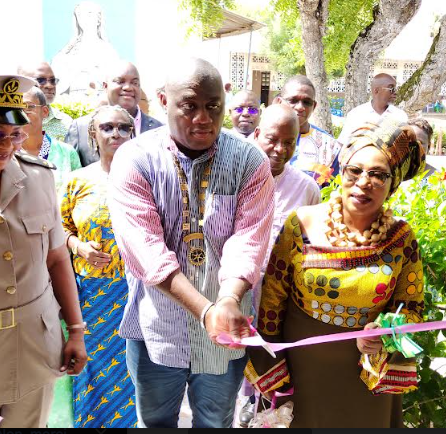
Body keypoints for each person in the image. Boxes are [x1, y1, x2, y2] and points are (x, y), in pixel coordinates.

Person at [108, 58, 275, 428]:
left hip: (226, 332)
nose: (203, 118)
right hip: (157, 329)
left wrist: (228, 300)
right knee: (154, 423)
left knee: (215, 423)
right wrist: (206, 310)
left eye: (213, 106)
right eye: (190, 106)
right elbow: (147, 251)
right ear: (164, 101)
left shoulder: (249, 160)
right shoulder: (135, 160)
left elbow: (249, 240)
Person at [245, 119, 426, 428]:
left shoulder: (401, 237)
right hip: (302, 371)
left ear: (393, 183)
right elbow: (272, 306)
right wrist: (272, 368)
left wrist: (385, 332)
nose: (363, 182)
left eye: (378, 175)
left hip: (365, 374)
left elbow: (412, 308)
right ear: (342, 172)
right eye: (354, 170)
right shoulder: (299, 224)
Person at [0, 75, 87, 428]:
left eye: (16, 134)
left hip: (34, 349)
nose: (6, 146)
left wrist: (75, 331)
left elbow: (56, 259)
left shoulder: (38, 177)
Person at [238, 104, 320, 427]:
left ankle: (259, 407)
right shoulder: (235, 176)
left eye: (289, 142)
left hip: (280, 302)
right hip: (238, 293)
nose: (280, 149)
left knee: (271, 371)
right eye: (272, 140)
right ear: (257, 135)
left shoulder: (307, 189)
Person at [60, 105, 137, 428]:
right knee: (90, 369)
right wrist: (78, 246)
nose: (116, 134)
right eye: (107, 128)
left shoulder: (146, 180)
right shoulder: (77, 182)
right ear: (93, 134)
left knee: (132, 371)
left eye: (123, 128)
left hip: (134, 295)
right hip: (90, 297)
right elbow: (57, 229)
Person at [65, 61, 163, 167]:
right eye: (120, 81)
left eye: (135, 83)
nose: (128, 87)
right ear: (105, 86)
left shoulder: (160, 130)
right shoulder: (81, 129)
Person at [275, 75, 341, 186]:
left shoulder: (330, 147)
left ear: (314, 106)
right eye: (293, 100)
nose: (300, 107)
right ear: (279, 102)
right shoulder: (262, 139)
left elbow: (333, 193)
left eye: (307, 102)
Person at [51, 1, 121, 97]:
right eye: (80, 14)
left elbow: (115, 82)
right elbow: (56, 84)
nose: (84, 17)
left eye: (89, 13)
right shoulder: (67, 52)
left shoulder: (108, 51)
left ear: (98, 19)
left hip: (99, 100)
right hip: (72, 101)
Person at [21, 87, 81, 190]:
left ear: (44, 111)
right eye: (15, 109)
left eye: (28, 107)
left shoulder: (66, 152)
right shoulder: (6, 152)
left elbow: (78, 192)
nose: (22, 114)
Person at [338, 74, 408, 146]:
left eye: (396, 89)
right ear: (376, 90)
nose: (395, 92)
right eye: (391, 89)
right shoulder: (356, 114)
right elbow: (342, 144)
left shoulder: (400, 116)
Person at [17, 62, 73, 141]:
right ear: (20, 83)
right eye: (40, 80)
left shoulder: (67, 123)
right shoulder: (7, 119)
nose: (50, 86)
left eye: (53, 80)